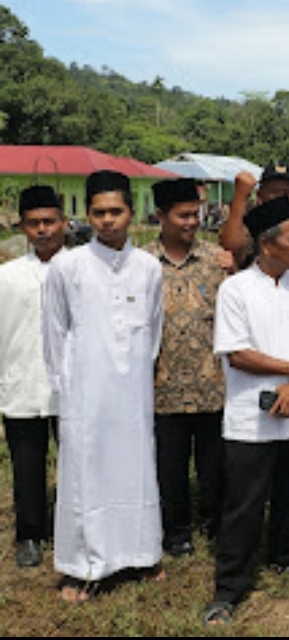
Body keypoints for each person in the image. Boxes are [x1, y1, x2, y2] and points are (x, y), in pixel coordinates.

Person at [203, 194, 289, 627]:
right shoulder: (236, 288)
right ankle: (229, 588)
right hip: (250, 418)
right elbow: (237, 354)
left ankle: (282, 557)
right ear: (266, 244)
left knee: (286, 493)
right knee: (243, 504)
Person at [42, 169, 165, 602]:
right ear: (88, 216)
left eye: (116, 211)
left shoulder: (149, 267)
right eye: (99, 212)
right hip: (84, 392)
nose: (107, 220)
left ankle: (141, 554)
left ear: (132, 212)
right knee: (85, 474)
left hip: (132, 392)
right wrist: (68, 389)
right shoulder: (67, 266)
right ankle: (81, 566)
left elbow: (153, 331)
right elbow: (54, 333)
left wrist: (131, 374)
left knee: (134, 468)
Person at [143, 177, 233, 558]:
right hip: (162, 386)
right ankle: (176, 531)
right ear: (160, 216)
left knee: (214, 466)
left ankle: (214, 525)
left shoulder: (216, 261)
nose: (191, 222)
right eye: (182, 216)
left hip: (212, 383)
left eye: (195, 214)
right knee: (170, 466)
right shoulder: (142, 263)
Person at [0, 185, 66, 568]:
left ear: (63, 222)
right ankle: (29, 535)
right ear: (23, 227)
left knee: (75, 463)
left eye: (49, 221)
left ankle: (74, 530)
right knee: (26, 465)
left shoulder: (83, 269)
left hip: (72, 387)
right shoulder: (7, 277)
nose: (43, 229)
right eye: (34, 223)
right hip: (22, 382)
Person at [218, 162, 289, 270]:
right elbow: (231, 249)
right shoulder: (252, 222)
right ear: (259, 194)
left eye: (288, 193)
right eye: (275, 192)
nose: (282, 198)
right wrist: (240, 196)